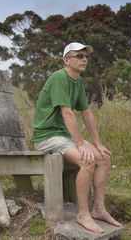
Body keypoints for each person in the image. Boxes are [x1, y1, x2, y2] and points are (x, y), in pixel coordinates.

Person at [32, 42, 121, 233]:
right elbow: (67, 114)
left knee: (105, 157)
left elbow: (86, 113)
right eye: (78, 56)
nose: (84, 59)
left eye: (85, 56)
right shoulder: (59, 78)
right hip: (47, 136)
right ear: (67, 60)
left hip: (64, 136)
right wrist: (81, 144)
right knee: (87, 159)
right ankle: (83, 214)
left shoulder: (77, 81)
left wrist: (97, 143)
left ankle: (98, 209)